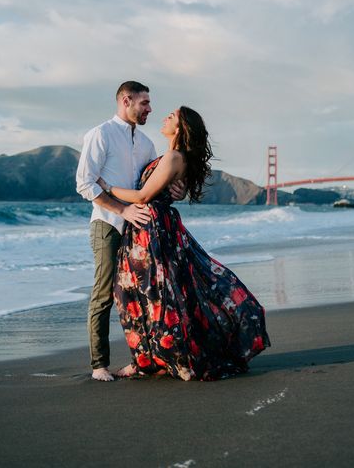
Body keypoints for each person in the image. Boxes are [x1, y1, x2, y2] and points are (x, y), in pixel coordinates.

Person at [97, 106, 271, 381]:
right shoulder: (169, 156)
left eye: (172, 116)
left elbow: (142, 195)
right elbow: (162, 188)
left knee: (151, 294)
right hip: (151, 228)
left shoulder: (174, 157)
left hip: (151, 229)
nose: (164, 117)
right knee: (152, 294)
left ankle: (158, 358)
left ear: (180, 128)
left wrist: (104, 187)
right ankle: (152, 358)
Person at [76, 81, 185, 382]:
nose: (150, 109)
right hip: (108, 225)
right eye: (145, 103)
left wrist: (176, 189)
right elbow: (85, 184)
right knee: (104, 295)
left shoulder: (147, 144)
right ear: (126, 100)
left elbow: (152, 185)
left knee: (141, 297)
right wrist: (122, 209)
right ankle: (99, 365)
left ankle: (145, 359)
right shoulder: (101, 134)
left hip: (140, 233)